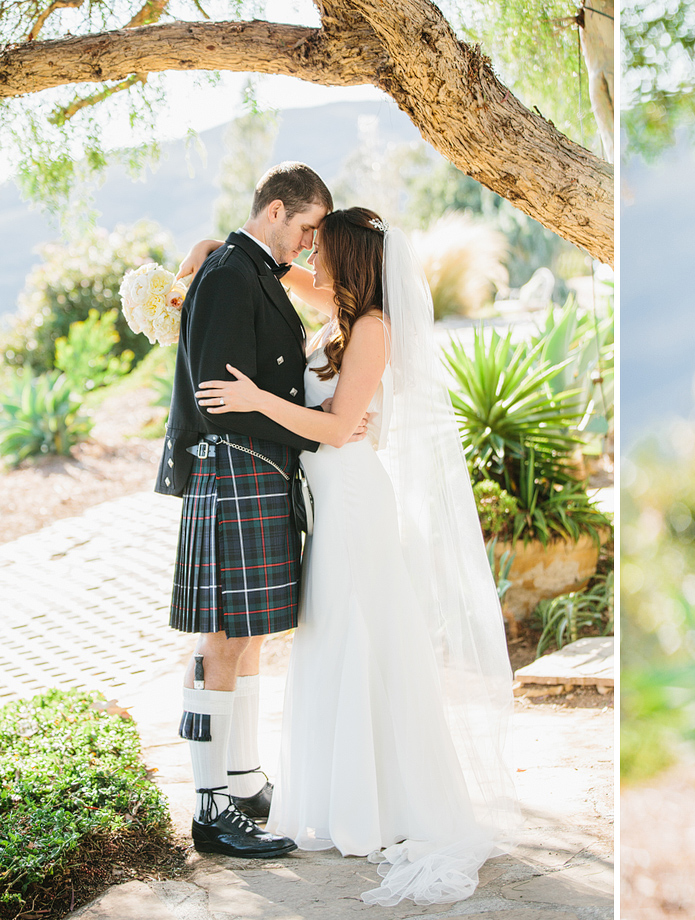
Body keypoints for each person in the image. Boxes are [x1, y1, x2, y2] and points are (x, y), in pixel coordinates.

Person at [184, 206, 518, 905]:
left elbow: (337, 428)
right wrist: (205, 253)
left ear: (349, 259)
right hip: (329, 504)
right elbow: (255, 261)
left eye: (321, 246)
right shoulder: (337, 309)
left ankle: (381, 803)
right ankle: (346, 797)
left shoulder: (372, 328)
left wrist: (253, 399)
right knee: (333, 640)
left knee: (358, 640)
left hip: (356, 505)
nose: (311, 253)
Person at [159, 162, 335, 860]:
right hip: (235, 471)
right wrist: (312, 431)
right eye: (307, 228)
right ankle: (210, 811)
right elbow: (219, 396)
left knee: (250, 636)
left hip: (256, 476)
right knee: (222, 642)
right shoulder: (232, 272)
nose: (309, 244)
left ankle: (244, 781)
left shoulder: (250, 267)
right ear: (276, 210)